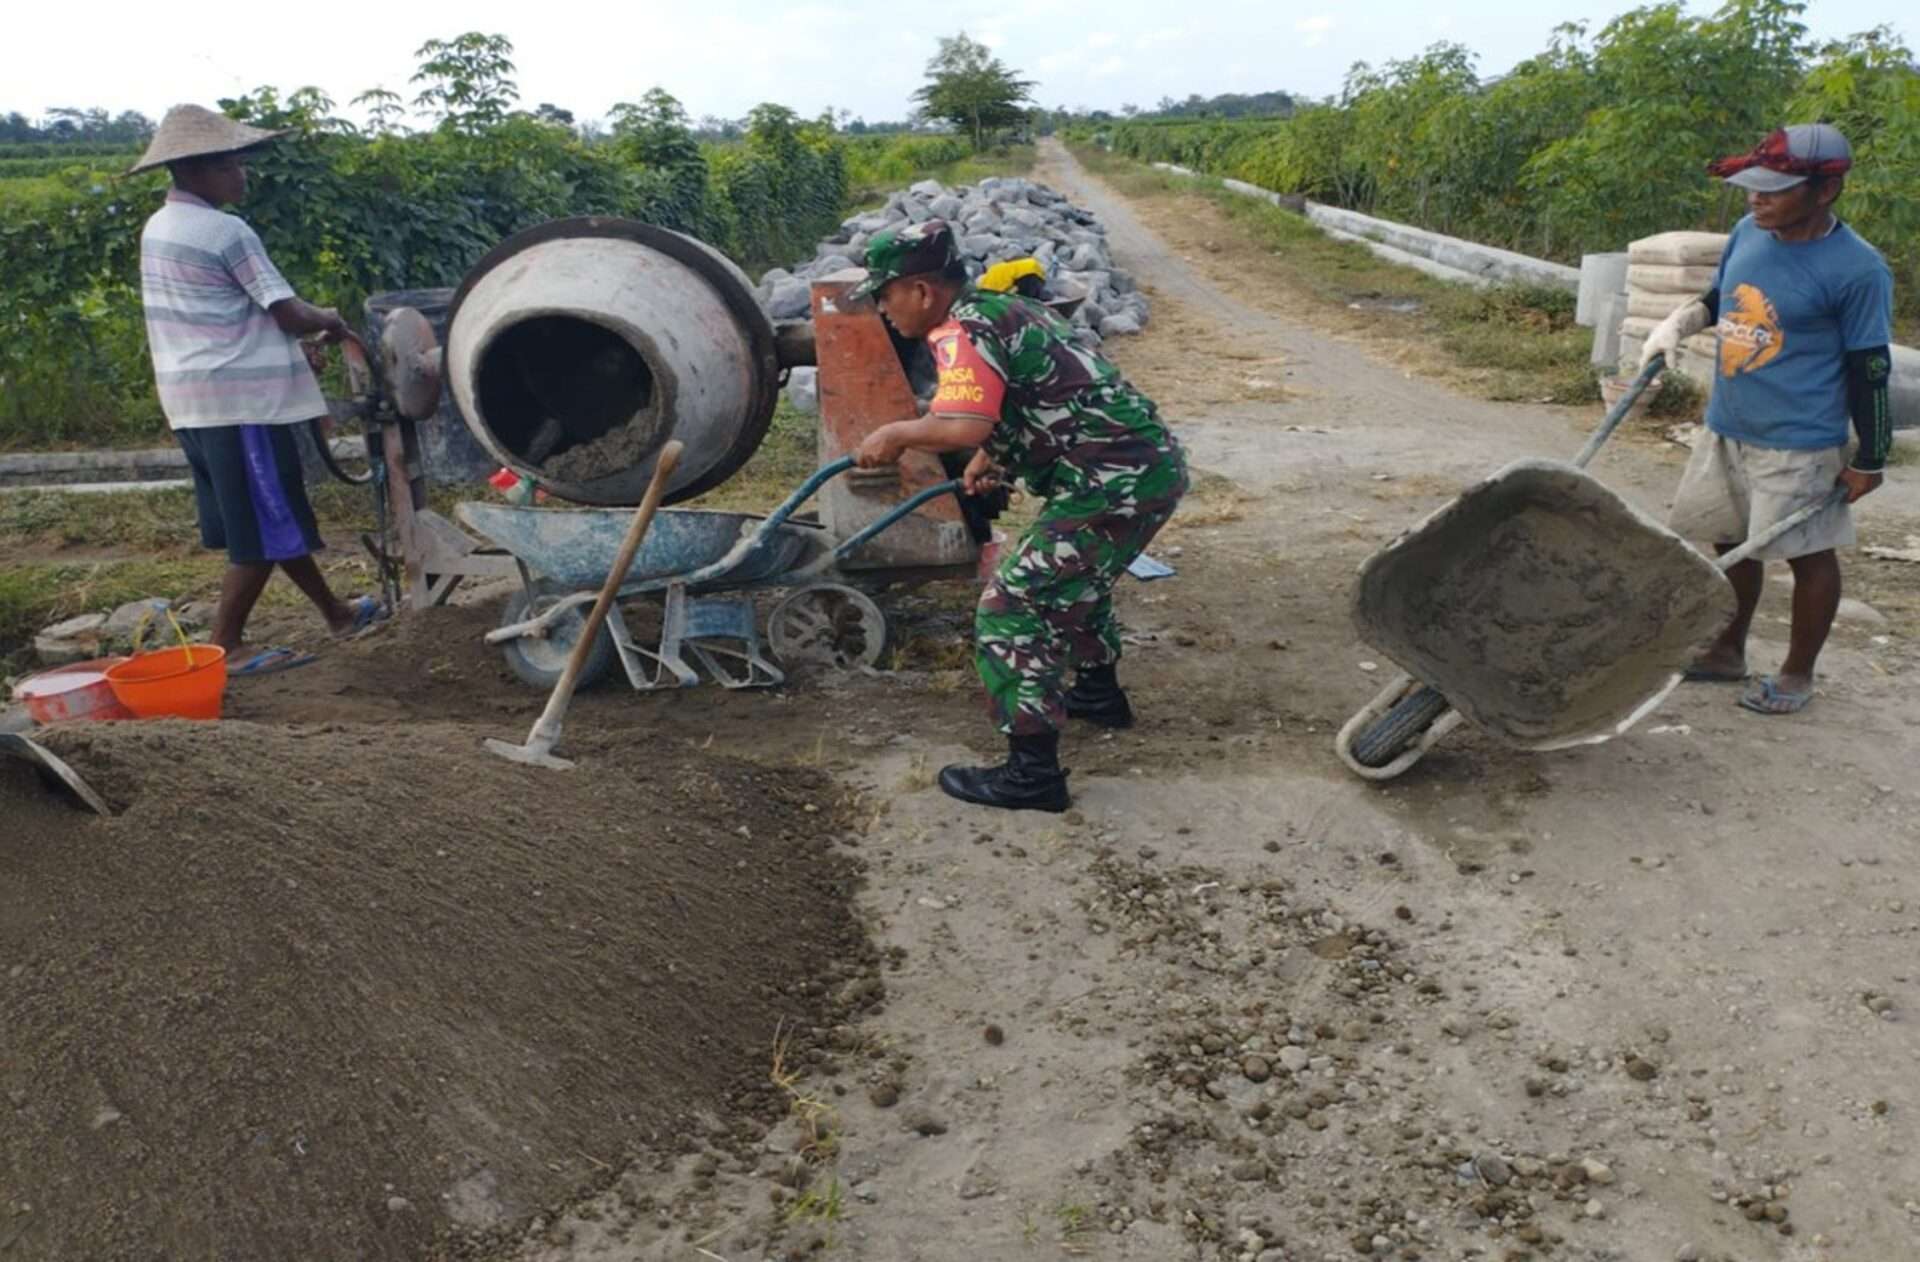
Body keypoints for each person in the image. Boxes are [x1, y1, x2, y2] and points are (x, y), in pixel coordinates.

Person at [849, 221, 1187, 812]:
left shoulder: (960, 331)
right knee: (1071, 579)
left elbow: (961, 422)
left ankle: (1032, 776)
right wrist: (991, 456)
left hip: (1110, 483)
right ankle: (1098, 696)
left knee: (1013, 603)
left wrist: (897, 433)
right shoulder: (1002, 311)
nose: (882, 307)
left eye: (885, 294)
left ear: (923, 292)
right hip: (1141, 471)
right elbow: (1026, 398)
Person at [1641, 123, 1894, 715]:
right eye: (1753, 186)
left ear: (1824, 192)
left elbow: (1870, 368)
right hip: (1728, 422)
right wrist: (1676, 325)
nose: (1756, 198)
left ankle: (1798, 673)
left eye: (1774, 189)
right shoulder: (1747, 232)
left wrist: (1870, 456)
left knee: (1807, 554)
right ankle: (1728, 652)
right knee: (1731, 540)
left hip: (1798, 441)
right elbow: (1716, 297)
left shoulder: (1857, 270)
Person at [130, 105, 384, 675]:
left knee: (271, 517)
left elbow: (225, 314)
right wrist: (331, 319)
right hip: (239, 406)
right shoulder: (225, 230)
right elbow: (289, 312)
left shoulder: (160, 227)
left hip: (193, 403)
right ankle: (229, 645)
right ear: (196, 170)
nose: (242, 177)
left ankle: (337, 613)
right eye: (232, 167)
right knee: (261, 529)